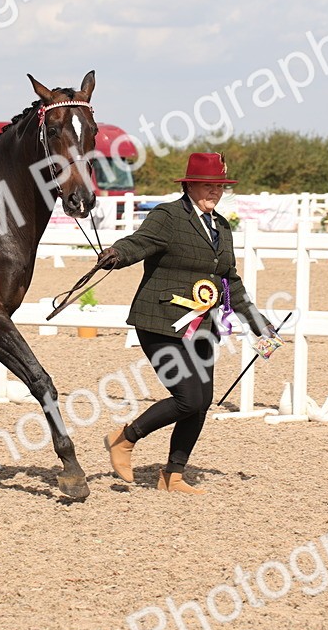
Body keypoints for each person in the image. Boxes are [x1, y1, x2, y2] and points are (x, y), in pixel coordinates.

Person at [96, 152, 279, 494]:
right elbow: (140, 242)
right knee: (189, 397)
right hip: (161, 322)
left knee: (201, 401)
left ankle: (172, 475)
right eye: (208, 185)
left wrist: (258, 323)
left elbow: (229, 282)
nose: (215, 192)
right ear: (190, 185)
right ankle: (124, 438)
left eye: (220, 187)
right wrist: (117, 255)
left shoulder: (222, 227)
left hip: (203, 327)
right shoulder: (168, 216)